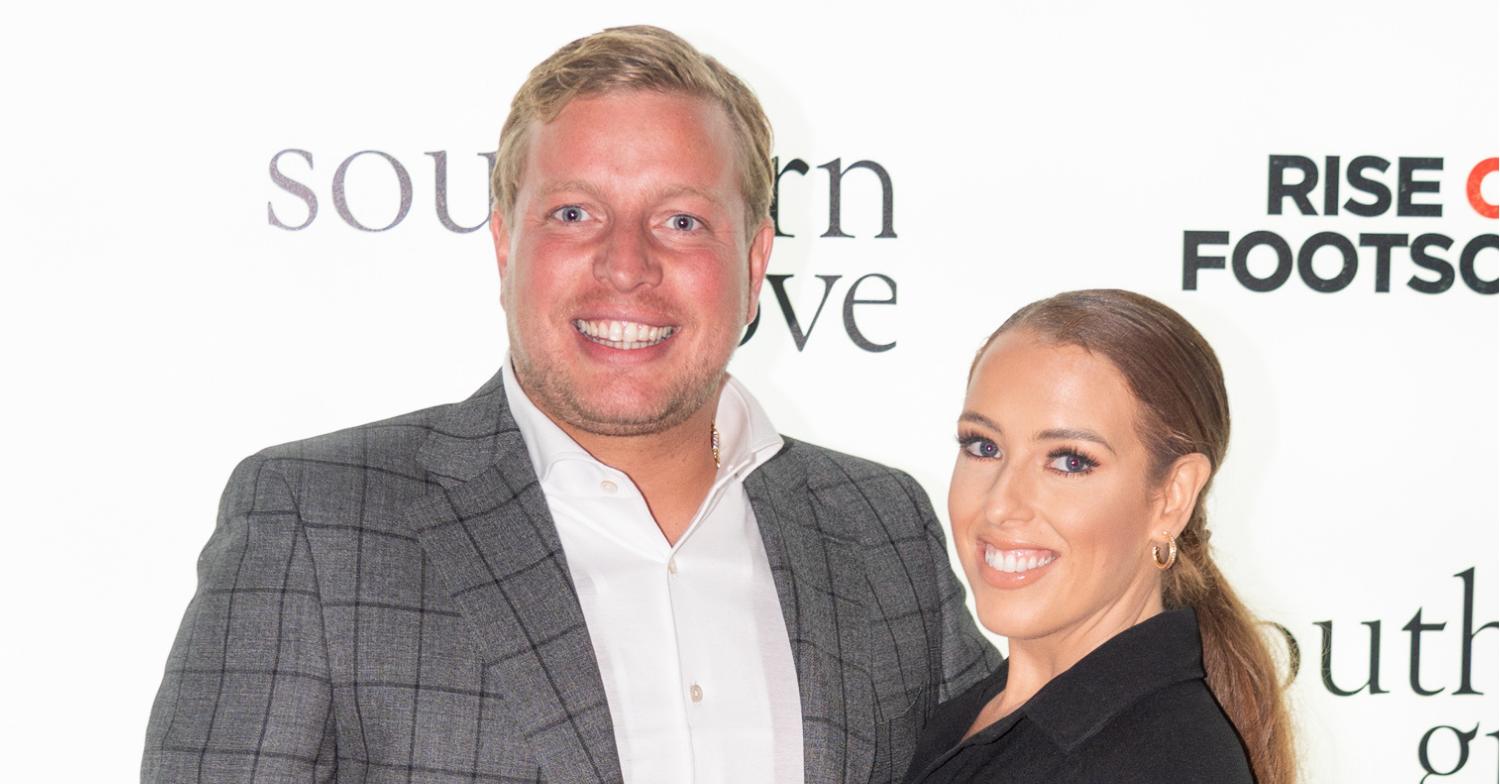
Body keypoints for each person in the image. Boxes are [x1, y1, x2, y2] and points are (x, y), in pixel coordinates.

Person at [141, 25, 998, 784]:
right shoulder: (320, 521)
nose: (626, 265)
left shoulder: (880, 527)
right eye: (576, 212)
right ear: (507, 242)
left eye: (683, 221)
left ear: (754, 259)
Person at [902, 290, 1295, 784]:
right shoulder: (967, 717)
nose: (1000, 504)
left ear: (1172, 496)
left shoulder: (1161, 764)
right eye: (984, 447)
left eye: (1069, 460)